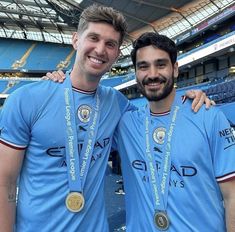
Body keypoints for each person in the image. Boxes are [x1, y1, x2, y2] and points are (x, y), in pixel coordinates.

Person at [0, 4, 211, 232]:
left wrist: (190, 96)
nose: (100, 50)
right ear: (75, 40)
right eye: (93, 38)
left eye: (110, 44)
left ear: (116, 54)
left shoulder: (117, 104)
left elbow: (159, 112)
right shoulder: (26, 100)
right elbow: (5, 181)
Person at [115, 32, 235, 231]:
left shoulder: (208, 116)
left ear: (175, 69)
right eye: (143, 66)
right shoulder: (125, 123)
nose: (152, 74)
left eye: (161, 64)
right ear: (136, 72)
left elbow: (232, 195)